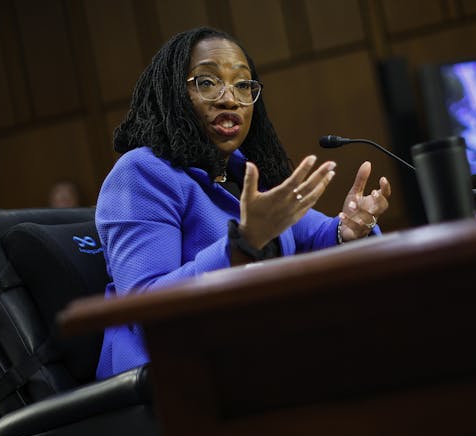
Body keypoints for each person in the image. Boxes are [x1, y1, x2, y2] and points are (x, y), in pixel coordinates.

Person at [94, 26, 392, 379]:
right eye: (206, 82)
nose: (229, 98)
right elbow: (145, 307)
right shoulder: (143, 173)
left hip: (249, 355)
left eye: (242, 84)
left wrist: (350, 228)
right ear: (173, 92)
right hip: (170, 381)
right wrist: (241, 246)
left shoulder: (242, 174)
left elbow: (317, 235)